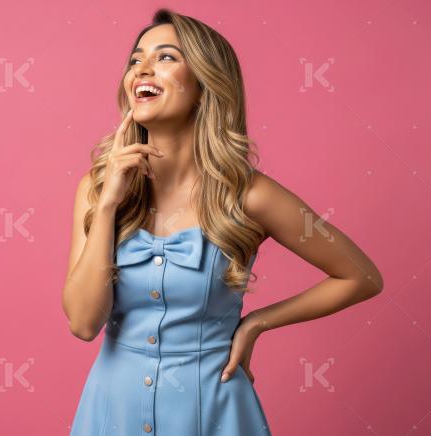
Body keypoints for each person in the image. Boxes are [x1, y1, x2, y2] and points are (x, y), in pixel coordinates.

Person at [62, 8, 384, 436]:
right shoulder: (96, 187)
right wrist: (107, 206)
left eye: (166, 57)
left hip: (215, 412)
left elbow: (360, 276)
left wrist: (257, 323)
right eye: (136, 58)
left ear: (204, 84)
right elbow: (83, 324)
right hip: (110, 412)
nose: (142, 68)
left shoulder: (251, 195)